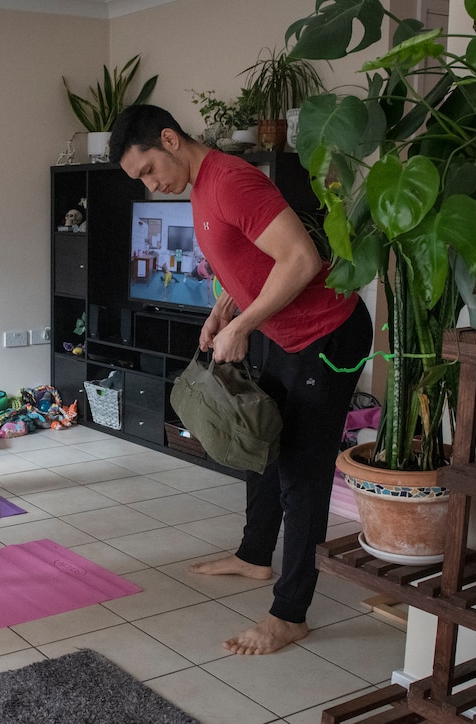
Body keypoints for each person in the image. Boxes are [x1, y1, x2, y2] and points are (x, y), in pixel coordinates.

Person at [110, 105, 373, 655]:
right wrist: (223, 311)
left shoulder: (231, 181)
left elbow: (298, 259)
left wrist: (247, 323)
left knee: (302, 473)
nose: (152, 185)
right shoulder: (201, 187)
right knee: (263, 442)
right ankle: (255, 555)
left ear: (169, 139)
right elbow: (251, 258)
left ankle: (291, 612)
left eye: (148, 171)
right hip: (282, 330)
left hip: (324, 334)